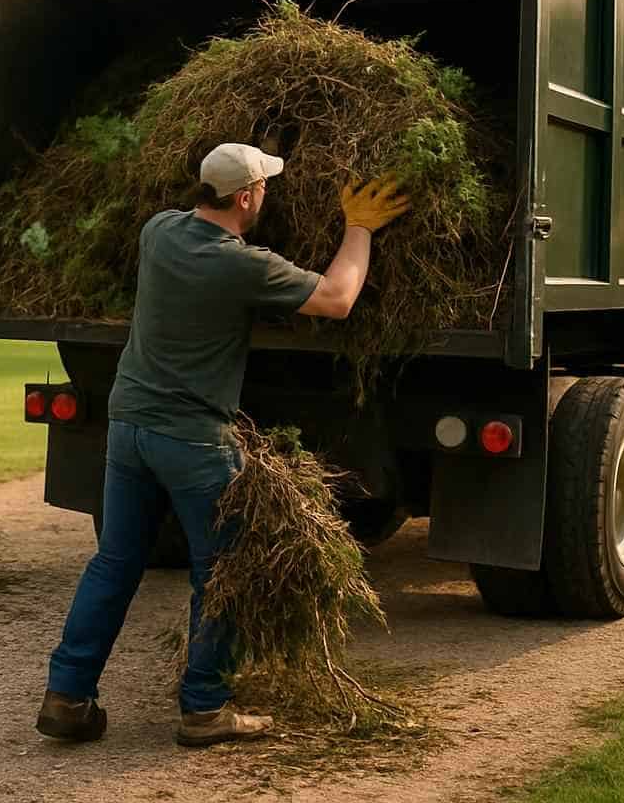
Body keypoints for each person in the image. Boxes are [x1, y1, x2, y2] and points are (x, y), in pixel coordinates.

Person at [34, 141, 410, 747]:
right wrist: (359, 228)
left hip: (129, 426)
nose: (268, 195)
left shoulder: (159, 232)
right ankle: (205, 709)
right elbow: (338, 299)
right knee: (222, 571)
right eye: (264, 187)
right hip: (193, 439)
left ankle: (67, 696)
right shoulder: (243, 266)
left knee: (115, 563)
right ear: (246, 198)